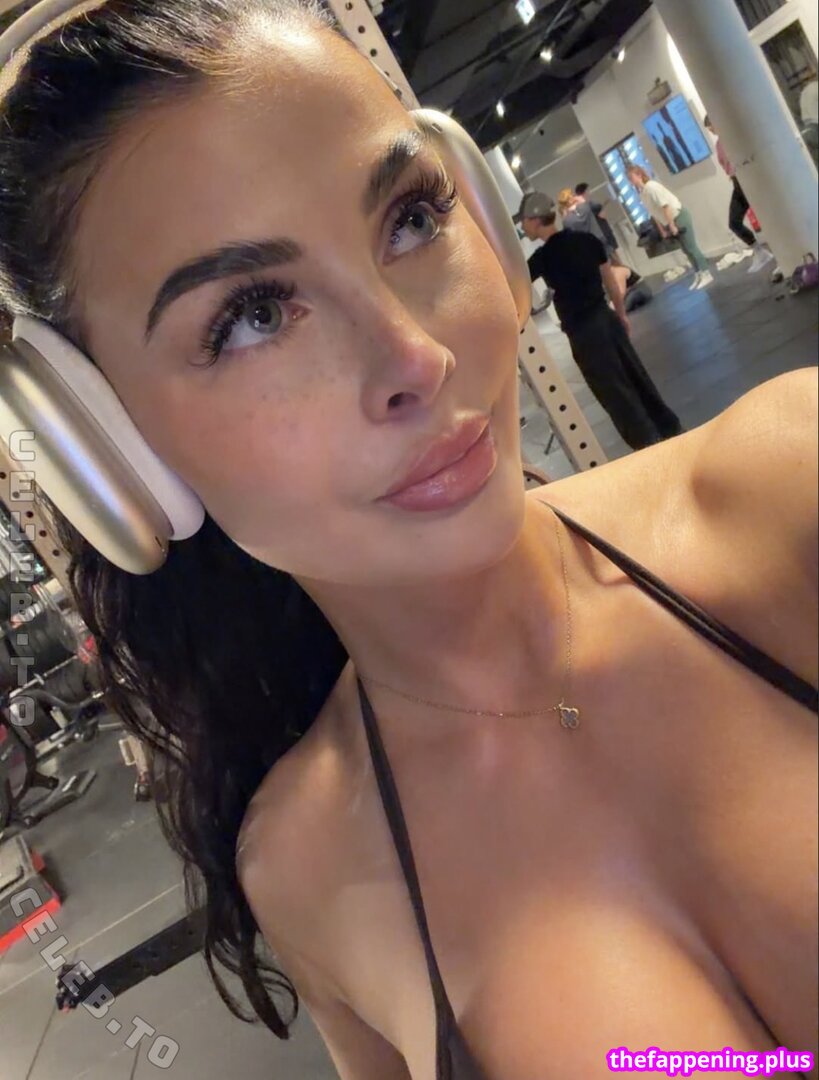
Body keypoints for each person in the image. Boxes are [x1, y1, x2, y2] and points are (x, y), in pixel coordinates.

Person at [0, 3, 816, 1077]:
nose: (416, 357)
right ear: (110, 453)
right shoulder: (304, 868)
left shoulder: (789, 485)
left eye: (412, 218)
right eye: (253, 315)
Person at [518, 192, 681, 451]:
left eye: (524, 221)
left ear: (535, 220)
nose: (522, 226)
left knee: (613, 391)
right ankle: (670, 428)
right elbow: (612, 283)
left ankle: (648, 444)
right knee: (636, 375)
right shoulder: (587, 241)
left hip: (584, 334)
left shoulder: (542, 258)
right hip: (606, 319)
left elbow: (515, 284)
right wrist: (621, 315)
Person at [703, 115, 776, 275]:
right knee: (734, 222)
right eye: (709, 128)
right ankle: (760, 253)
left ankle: (782, 255)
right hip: (738, 182)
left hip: (749, 178)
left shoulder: (733, 137)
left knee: (769, 217)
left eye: (711, 126)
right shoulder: (719, 144)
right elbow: (725, 165)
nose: (711, 130)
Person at [627, 165, 714, 290]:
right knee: (685, 250)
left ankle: (706, 273)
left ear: (639, 175)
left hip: (679, 216)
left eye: (631, 178)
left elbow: (665, 206)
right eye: (629, 179)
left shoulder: (651, 187)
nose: (630, 181)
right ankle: (698, 273)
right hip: (669, 221)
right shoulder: (642, 194)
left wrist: (672, 224)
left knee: (691, 247)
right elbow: (654, 214)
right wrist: (663, 229)